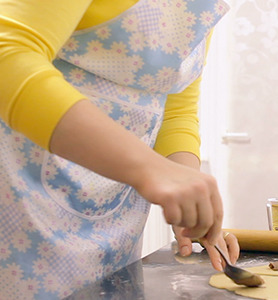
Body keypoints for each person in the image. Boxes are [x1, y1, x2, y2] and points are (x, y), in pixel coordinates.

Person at [0, 0, 238, 298]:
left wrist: (189, 198)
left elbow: (176, 109)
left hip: (114, 216)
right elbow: (7, 56)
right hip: (22, 200)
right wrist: (150, 169)